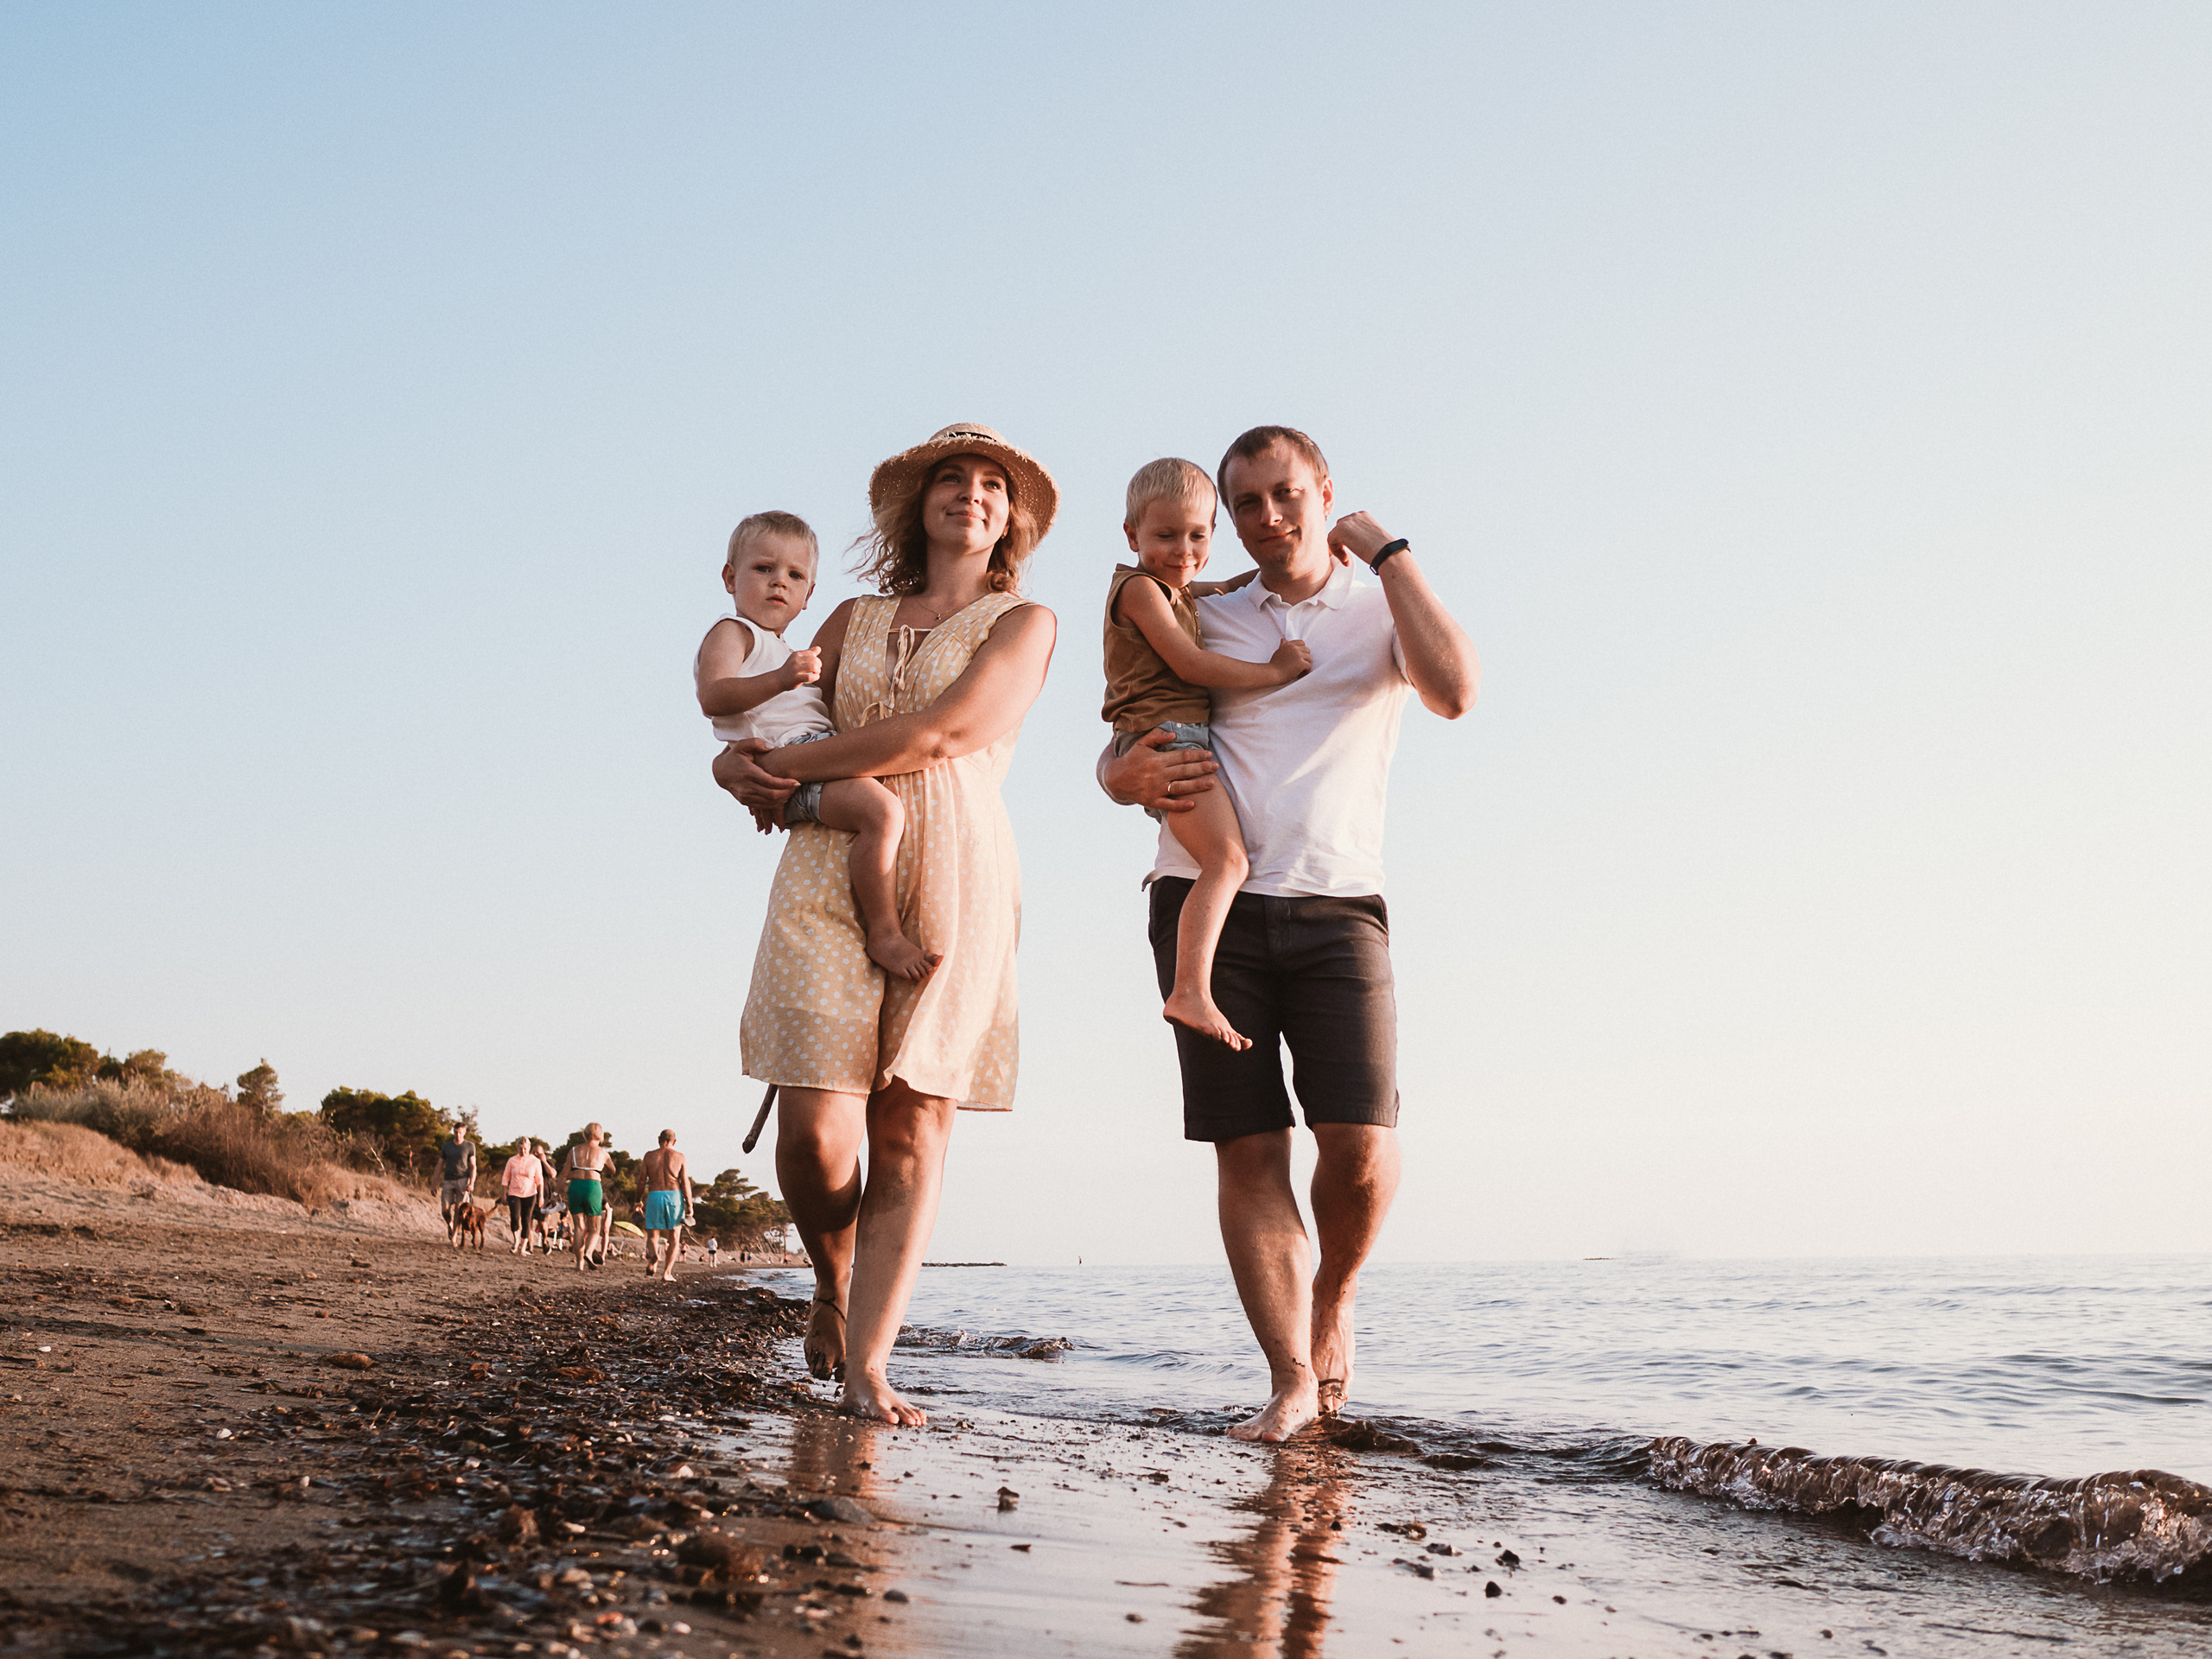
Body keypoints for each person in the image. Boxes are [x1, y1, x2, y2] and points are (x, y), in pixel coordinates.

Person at [1100, 425, 1478, 1444]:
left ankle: (1334, 1295)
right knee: (1249, 1147)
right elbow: (1129, 718)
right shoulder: (1203, 608)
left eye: (1285, 494)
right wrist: (1117, 775)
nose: (1266, 518)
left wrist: (1392, 553)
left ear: (1323, 492)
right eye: (1246, 503)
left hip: (1340, 905)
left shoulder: (1380, 605)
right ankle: (1289, 1379)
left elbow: (1454, 694)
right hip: (1202, 903)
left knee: (1359, 1146)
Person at [714, 422, 1058, 1427]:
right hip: (830, 857)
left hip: (954, 868)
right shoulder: (852, 616)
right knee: (814, 1135)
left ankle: (869, 1363)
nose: (971, 493)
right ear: (919, 502)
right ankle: (833, 1274)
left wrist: (776, 775)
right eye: (952, 477)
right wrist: (732, 760)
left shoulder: (1025, 622)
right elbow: (769, 715)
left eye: (992, 483)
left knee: (909, 1126)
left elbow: (941, 734)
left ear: (1011, 517)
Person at [1103, 457, 1311, 1049]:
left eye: (1198, 536)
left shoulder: (1173, 589)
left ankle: (1192, 987)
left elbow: (1215, 587)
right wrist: (1275, 672)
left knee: (1225, 860)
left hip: (1178, 735)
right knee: (1227, 862)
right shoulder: (1140, 590)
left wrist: (1279, 565)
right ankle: (1190, 990)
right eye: (1166, 536)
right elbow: (1189, 663)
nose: (1184, 551)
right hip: (1169, 740)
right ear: (1132, 536)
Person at [696, 512, 938, 983]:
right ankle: (885, 933)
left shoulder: (782, 649)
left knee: (882, 806)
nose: (778, 583)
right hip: (796, 756)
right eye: (763, 569)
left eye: (795, 575)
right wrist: (781, 679)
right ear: (730, 578)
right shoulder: (733, 632)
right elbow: (714, 696)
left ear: (808, 596)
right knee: (882, 813)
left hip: (812, 751)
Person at [639, 1129, 693, 1282]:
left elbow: (642, 1181)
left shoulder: (649, 1156)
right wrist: (689, 1204)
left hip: (655, 1195)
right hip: (674, 1196)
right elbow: (685, 1182)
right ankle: (667, 1273)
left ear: (659, 1139)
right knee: (674, 1236)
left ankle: (655, 1256)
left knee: (653, 1234)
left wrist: (637, 1201)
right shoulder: (680, 1157)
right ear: (674, 1142)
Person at [563, 1123, 613, 1272]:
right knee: (594, 1228)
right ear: (601, 1136)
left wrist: (555, 1194)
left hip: (575, 1186)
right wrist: (605, 1168)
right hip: (592, 1186)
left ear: (584, 1134)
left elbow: (564, 1173)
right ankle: (589, 1253)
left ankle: (579, 1264)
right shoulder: (603, 1153)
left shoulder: (573, 1151)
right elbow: (613, 1170)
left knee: (579, 1227)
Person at [500, 1136, 543, 1256]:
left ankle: (523, 1248)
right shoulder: (512, 1160)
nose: (523, 1151)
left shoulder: (535, 1161)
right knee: (515, 1217)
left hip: (530, 1194)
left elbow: (539, 1180)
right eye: (520, 1149)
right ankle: (516, 1241)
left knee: (526, 1220)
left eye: (525, 1149)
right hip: (514, 1193)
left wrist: (541, 1196)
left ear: (529, 1148)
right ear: (517, 1149)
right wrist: (503, 1194)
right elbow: (505, 1178)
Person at [438, 1124, 477, 1248]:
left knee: (458, 1210)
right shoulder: (447, 1146)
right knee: (445, 1209)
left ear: (464, 1132)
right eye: (455, 1132)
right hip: (448, 1180)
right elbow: (439, 1164)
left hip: (463, 1180)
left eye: (460, 1132)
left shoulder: (469, 1146)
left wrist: (472, 1182)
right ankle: (450, 1225)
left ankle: (454, 1238)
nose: (457, 1135)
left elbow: (473, 1165)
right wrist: (434, 1183)